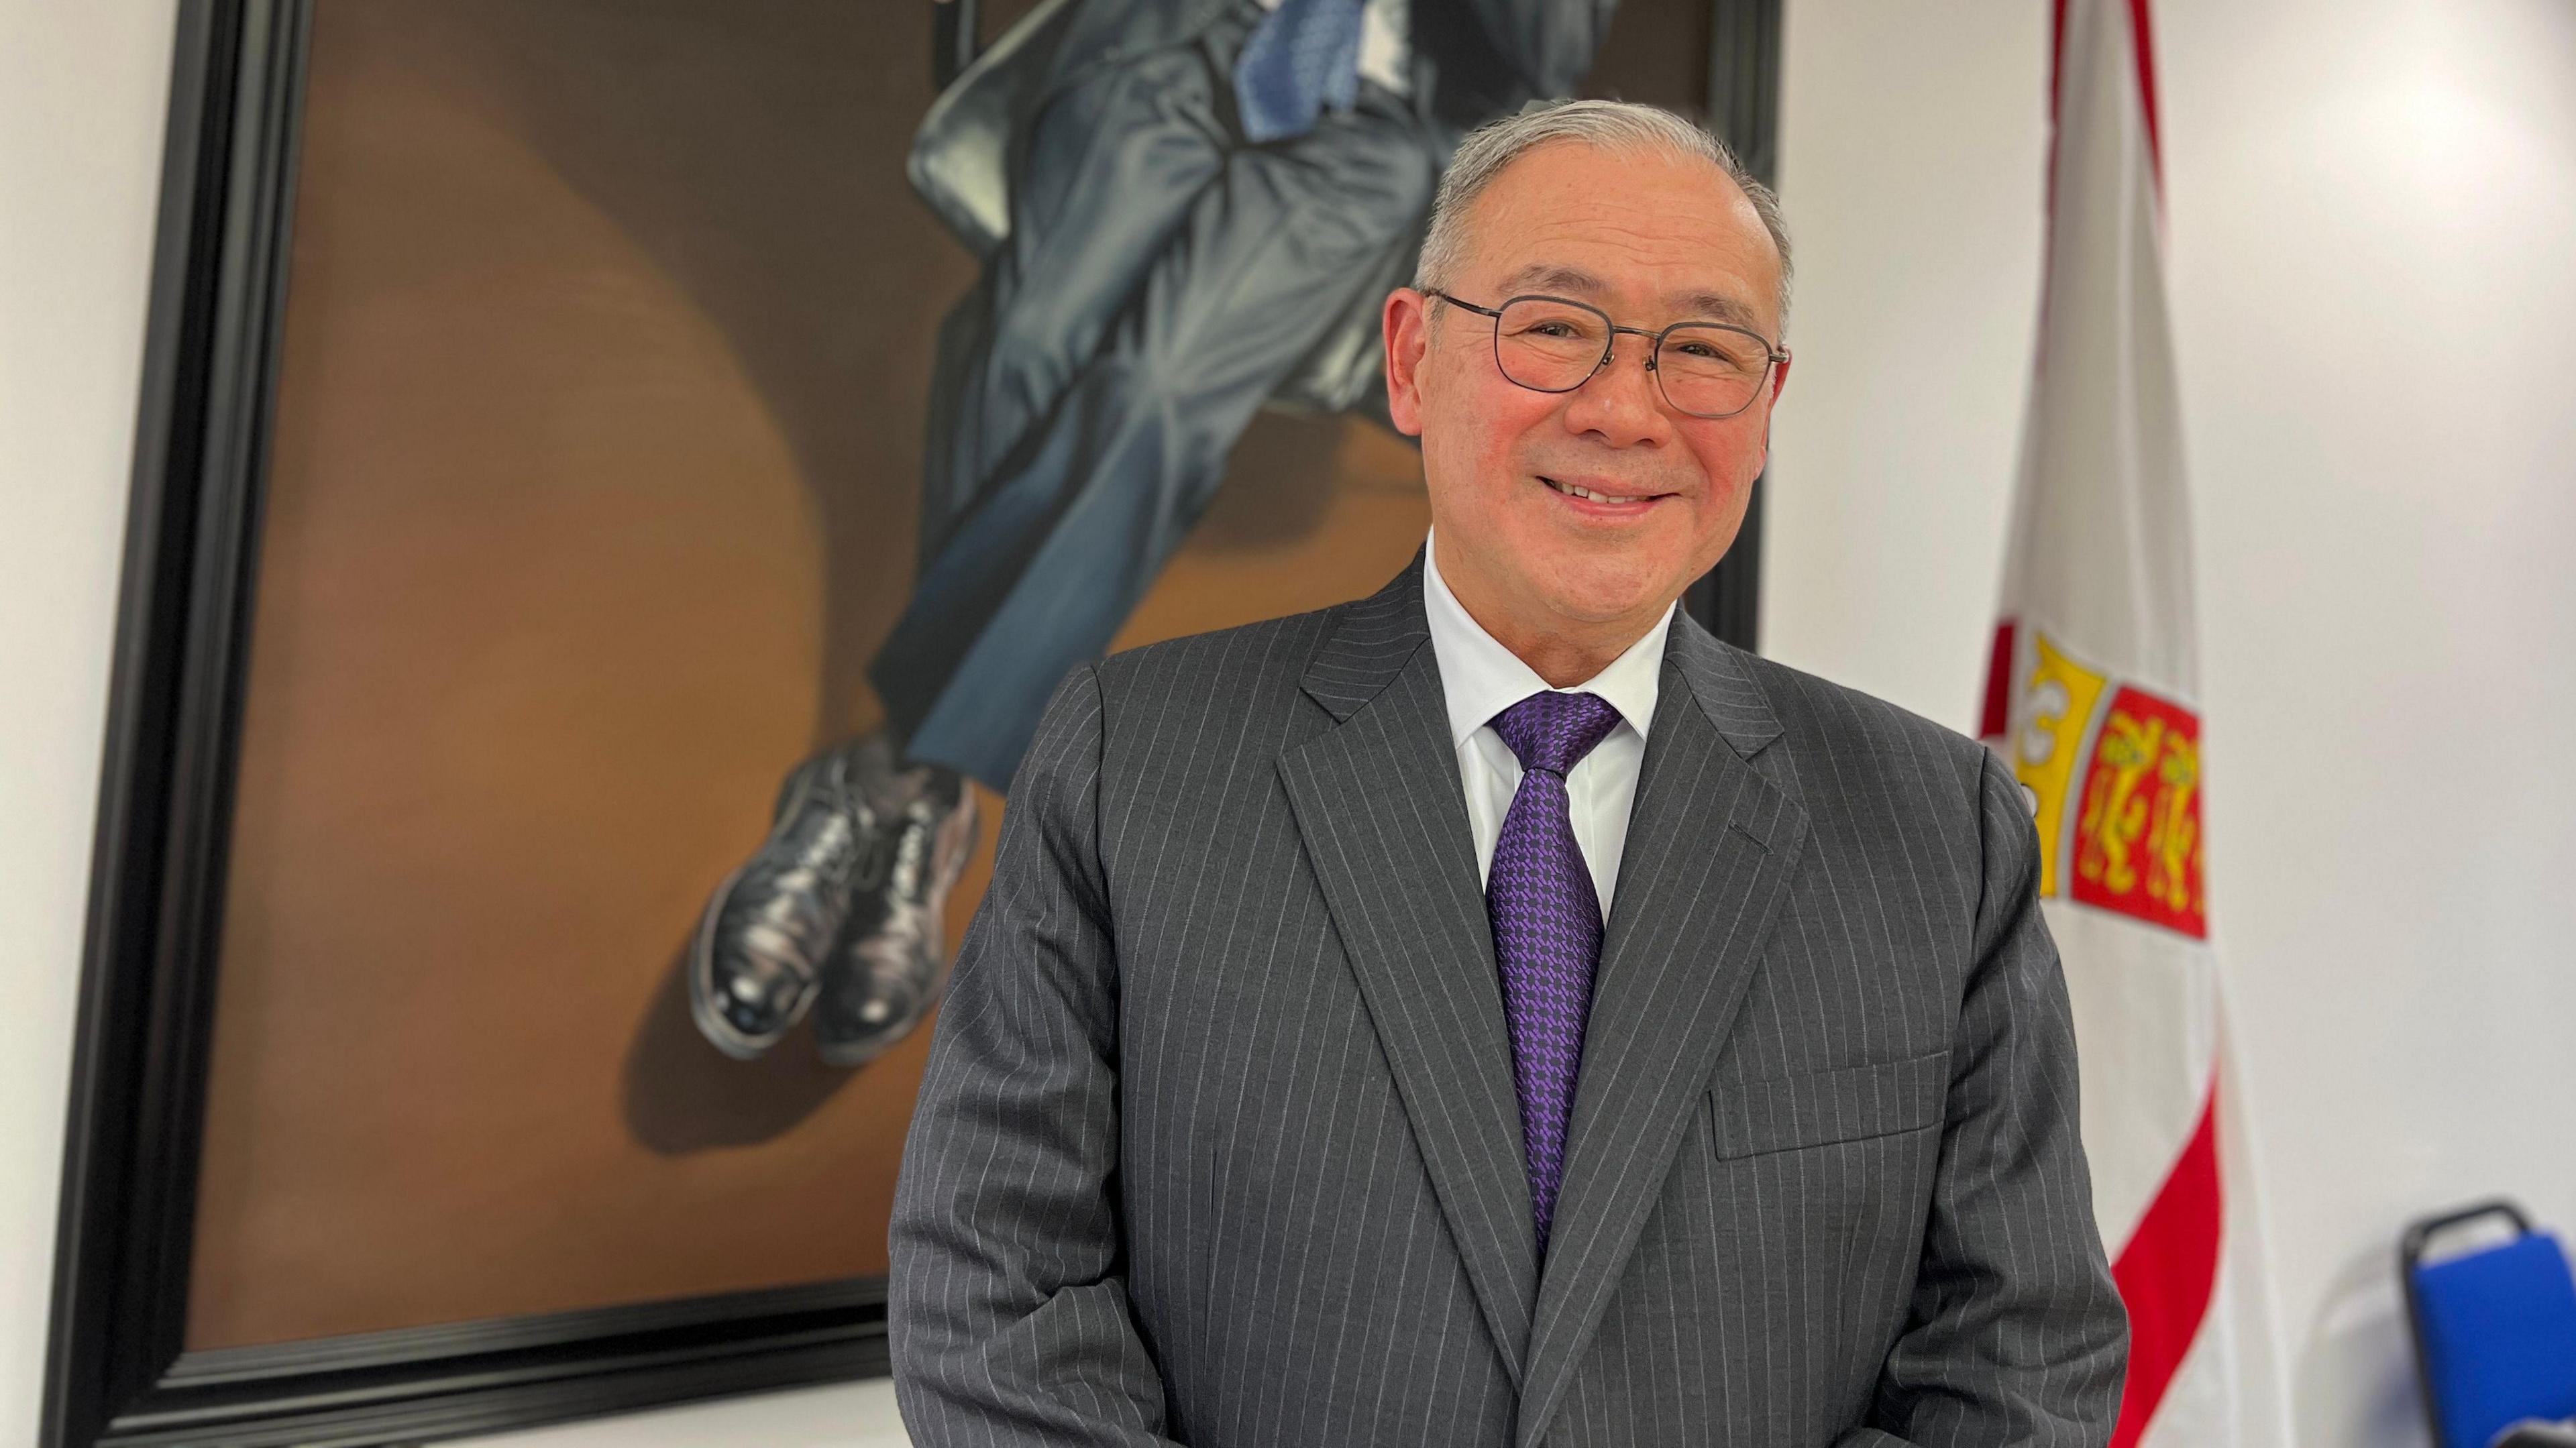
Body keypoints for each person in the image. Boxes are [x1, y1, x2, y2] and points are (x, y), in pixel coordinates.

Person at [888, 99, 2130, 1445]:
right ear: (1414, 360)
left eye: (1702, 351)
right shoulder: (1137, 762)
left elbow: (2023, 1360)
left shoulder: (1938, 827)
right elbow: (996, 1293)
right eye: (1553, 328)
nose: (1624, 410)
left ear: (1766, 410)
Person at [687, 0, 1621, 1071]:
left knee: (1159, 400)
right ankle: (926, 793)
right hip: (1173, 33)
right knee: (1028, 341)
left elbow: (1550, 51)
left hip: (1375, 117)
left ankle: (896, 781)